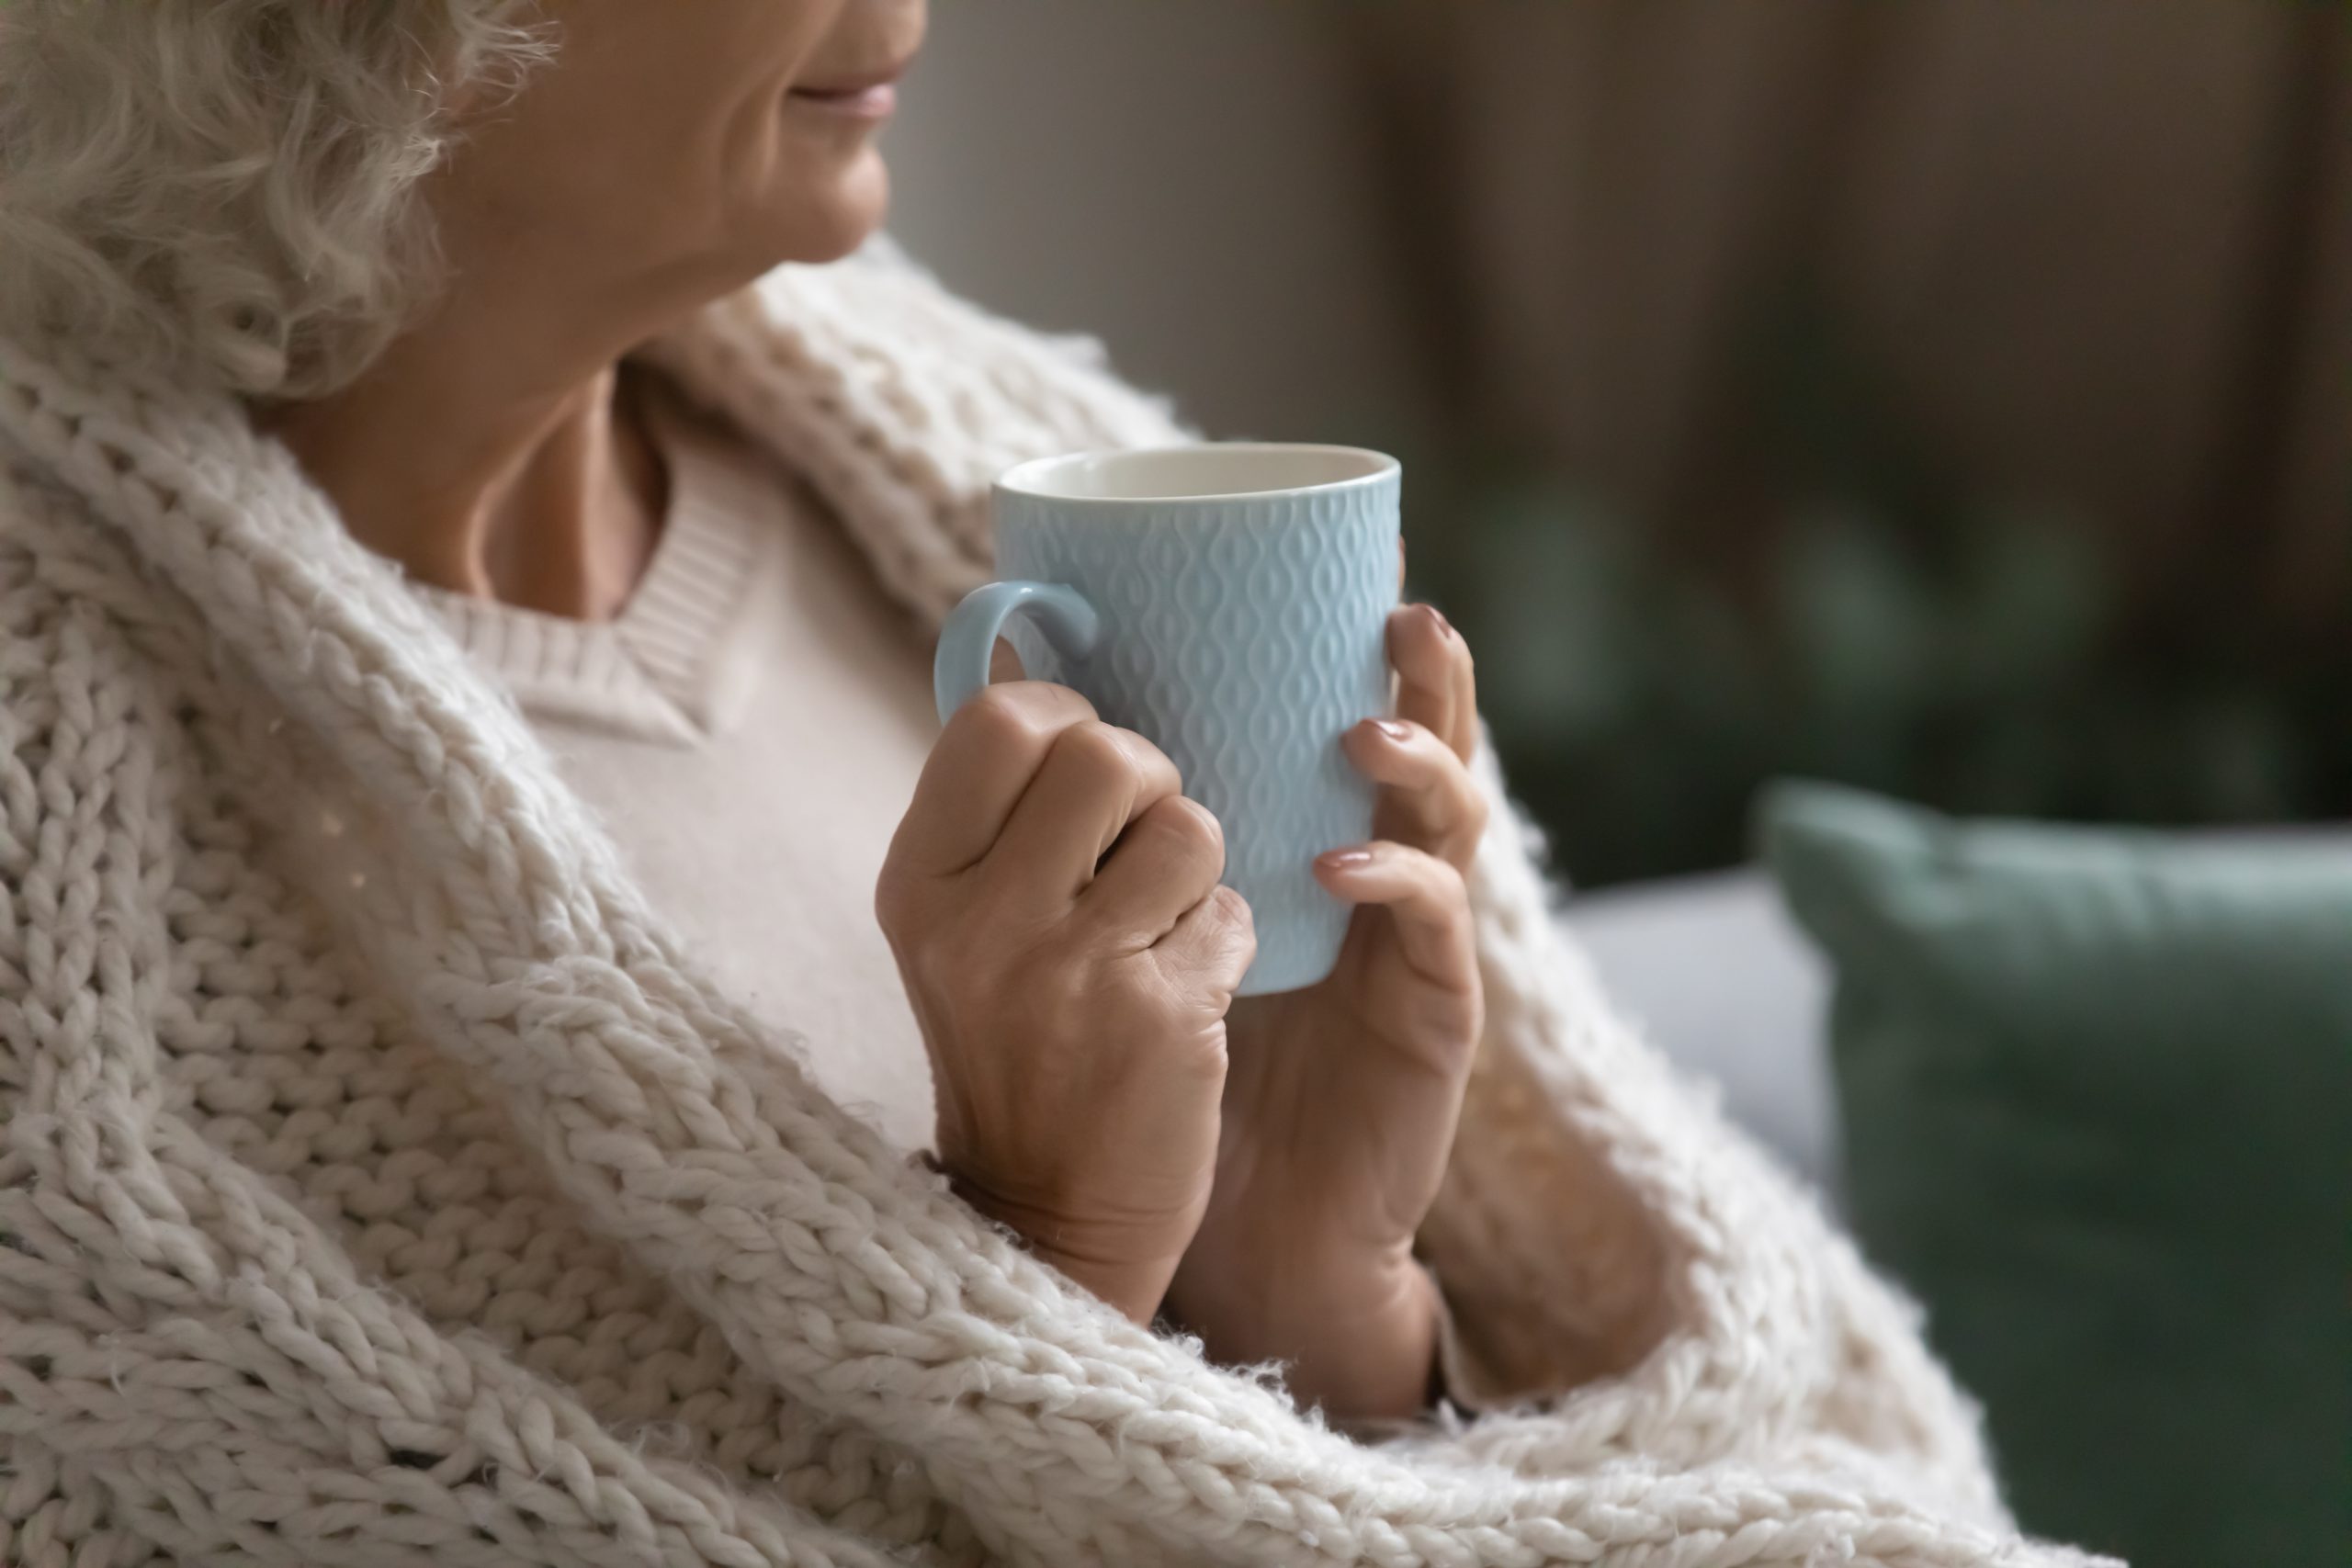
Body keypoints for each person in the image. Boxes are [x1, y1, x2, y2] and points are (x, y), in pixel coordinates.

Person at [0, 4, 2092, 1565]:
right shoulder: (64, 814)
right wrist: (1046, 1247)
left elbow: (1559, 1433)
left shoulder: (1019, 475)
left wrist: (1310, 1292)